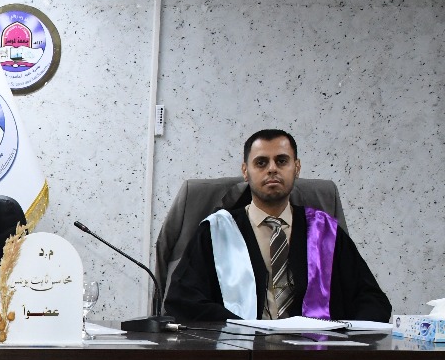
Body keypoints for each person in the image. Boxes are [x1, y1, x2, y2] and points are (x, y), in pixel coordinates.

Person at [164, 129, 390, 323]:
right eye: (261, 163)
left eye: (281, 161)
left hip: (313, 353)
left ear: (296, 168)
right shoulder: (216, 231)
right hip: (242, 351)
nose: (272, 169)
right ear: (245, 171)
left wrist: (343, 337)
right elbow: (182, 300)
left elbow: (372, 300)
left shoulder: (324, 231)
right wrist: (240, 328)